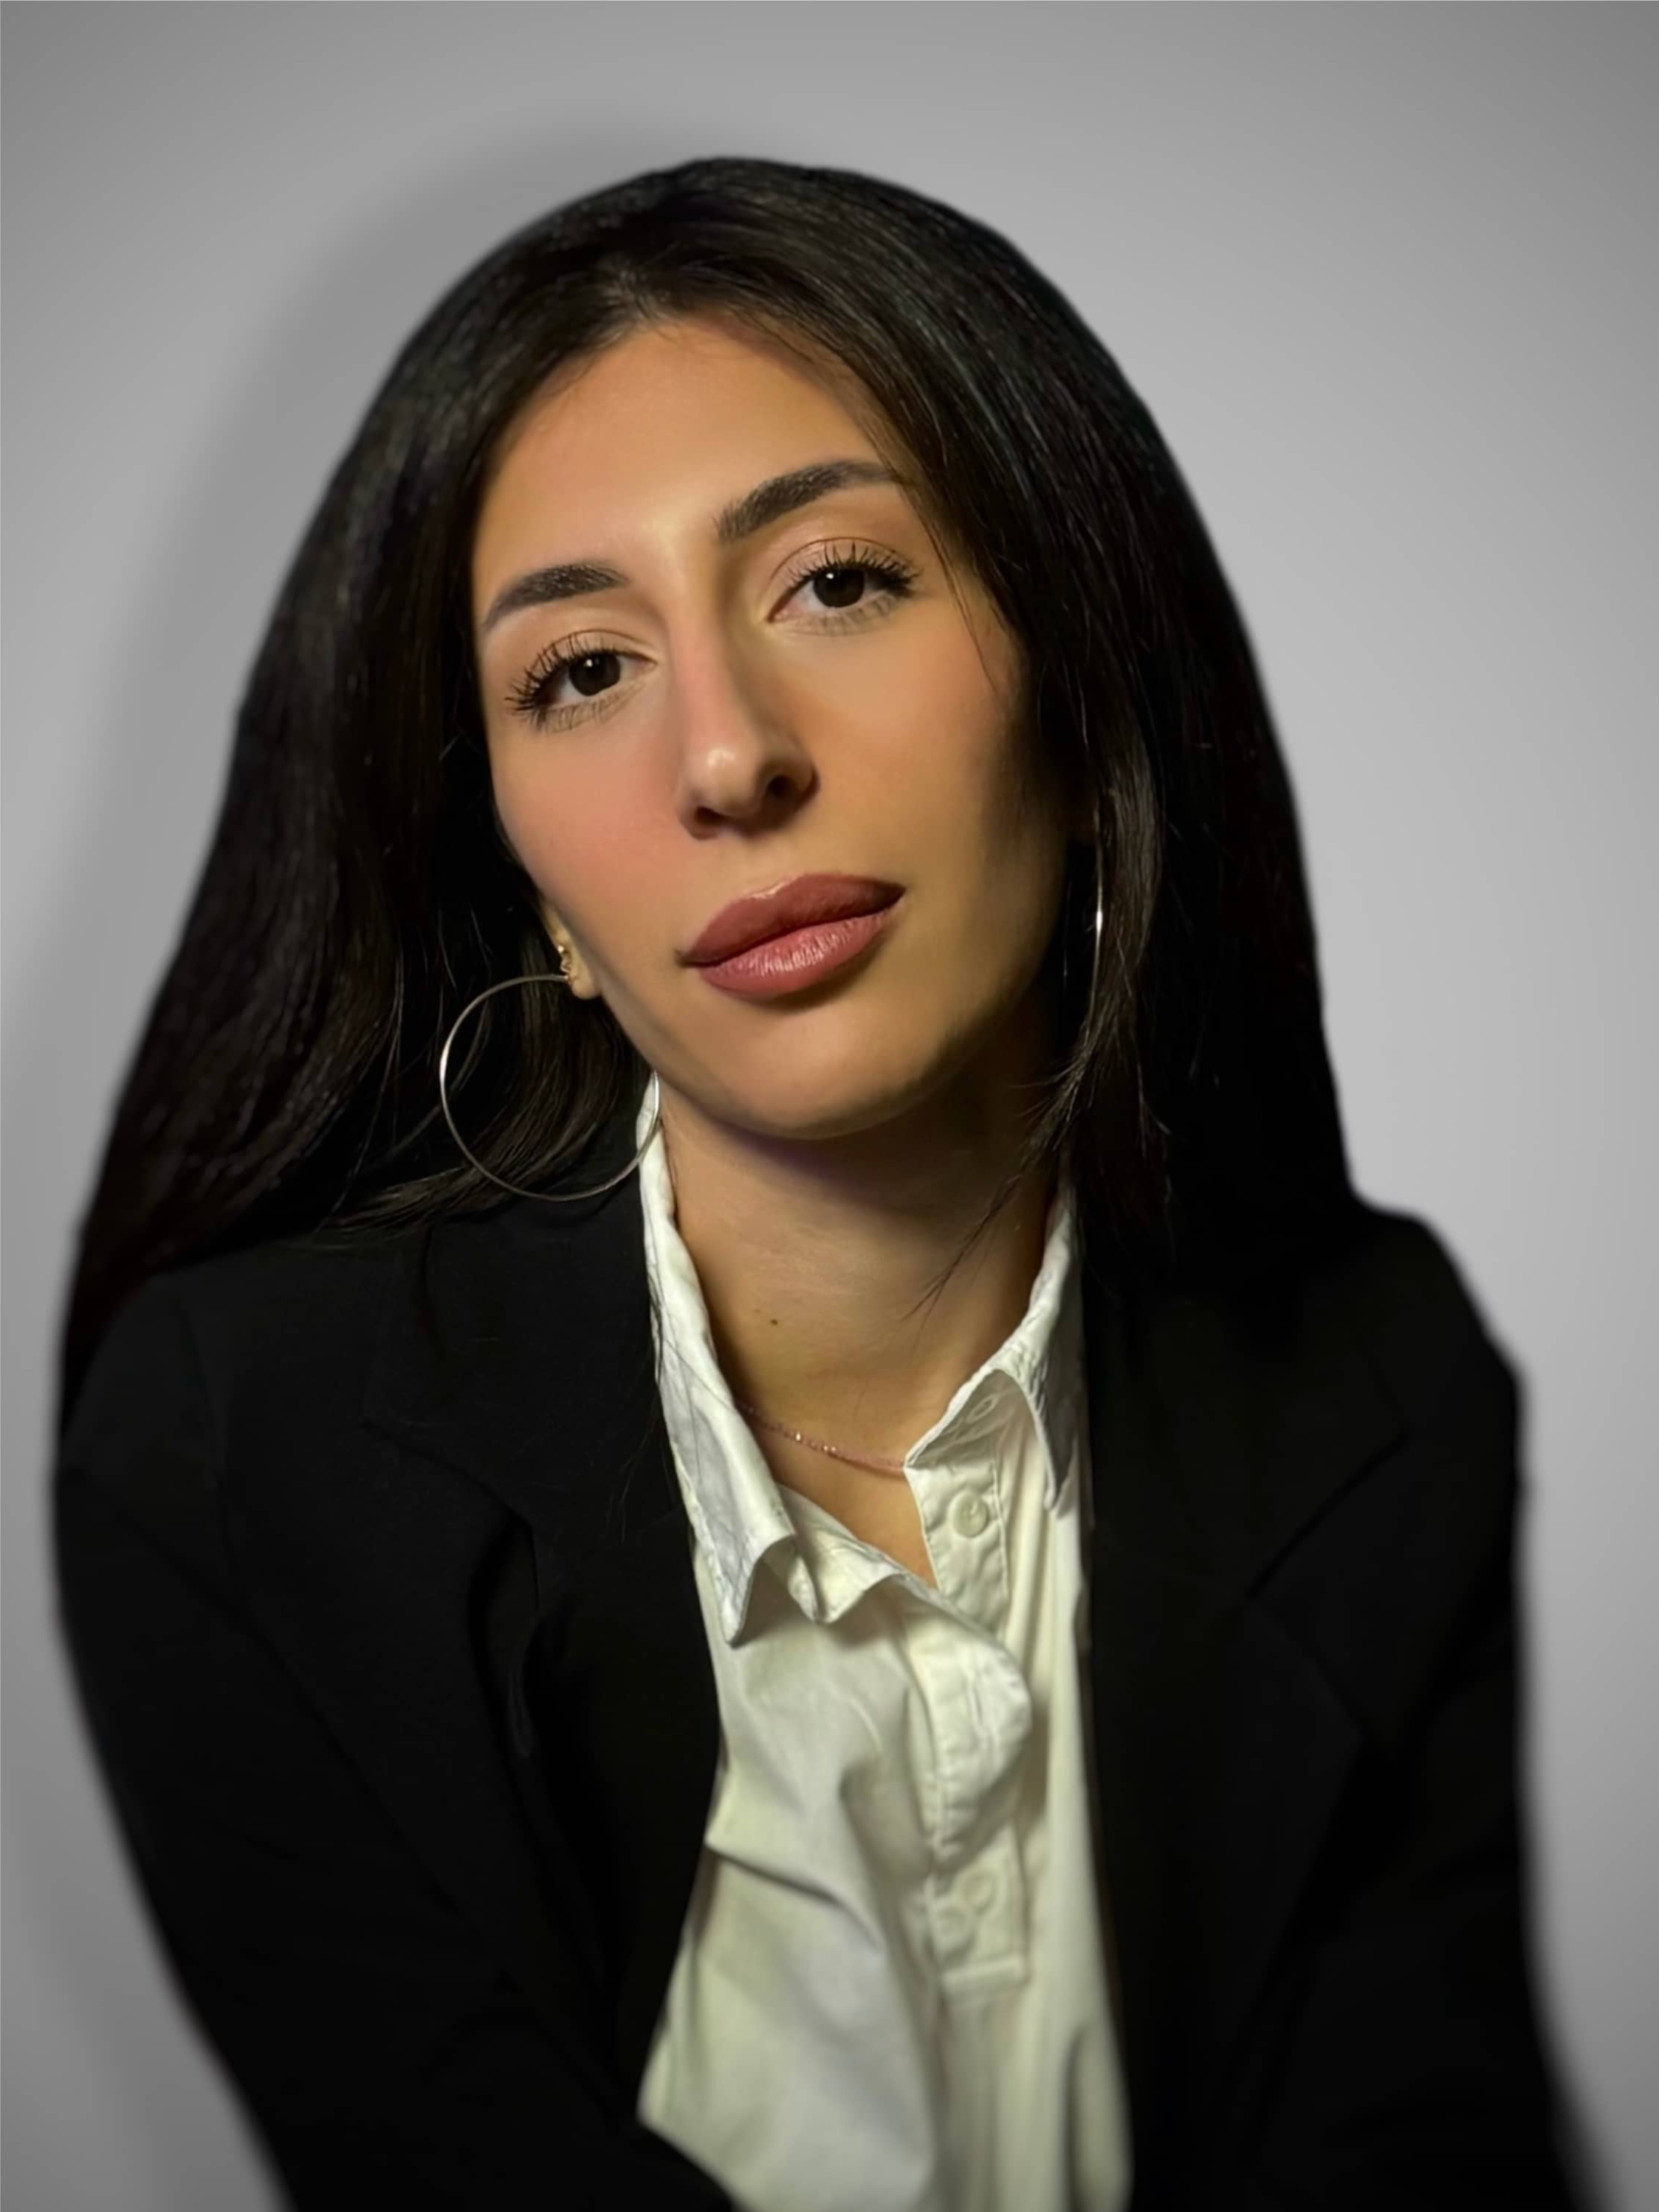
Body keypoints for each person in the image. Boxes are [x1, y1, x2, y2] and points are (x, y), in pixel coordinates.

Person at [49, 154, 1584, 2211]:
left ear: (1083, 687)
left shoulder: (1379, 1385)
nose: (728, 758)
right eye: (580, 670)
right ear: (534, 892)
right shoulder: (240, 1462)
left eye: (837, 582)